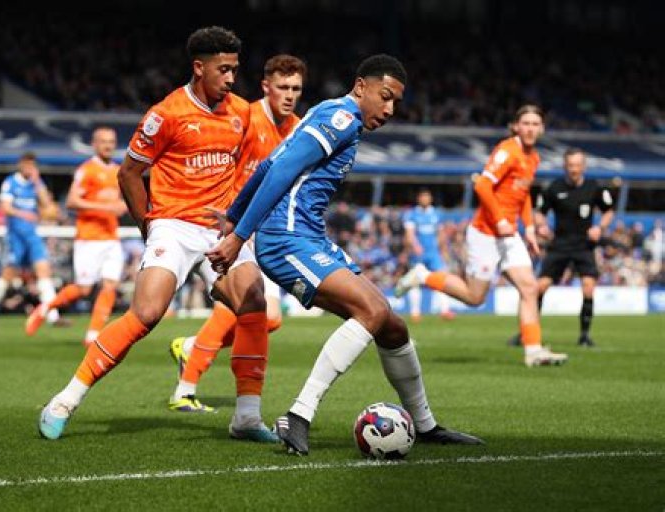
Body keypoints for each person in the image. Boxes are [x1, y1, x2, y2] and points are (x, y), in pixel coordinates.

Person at [206, 54, 483, 455]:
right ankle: (299, 414)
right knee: (371, 311)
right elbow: (279, 172)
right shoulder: (341, 119)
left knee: (392, 326)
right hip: (286, 238)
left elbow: (267, 164)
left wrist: (234, 215)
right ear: (360, 87)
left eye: (396, 102)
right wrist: (238, 234)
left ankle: (425, 426)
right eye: (385, 97)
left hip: (309, 237)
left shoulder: (331, 114)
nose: (389, 110)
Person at [38, 26, 277, 443]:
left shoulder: (241, 112)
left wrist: (237, 218)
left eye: (234, 69)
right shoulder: (165, 114)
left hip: (218, 228)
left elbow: (250, 169)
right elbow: (129, 173)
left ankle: (246, 417)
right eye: (222, 69)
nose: (230, 78)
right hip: (173, 224)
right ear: (199, 68)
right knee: (147, 313)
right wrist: (148, 226)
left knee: (254, 303)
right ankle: (65, 400)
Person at [167, 54, 307, 413]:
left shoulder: (299, 129)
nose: (289, 95)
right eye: (283, 87)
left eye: (296, 88)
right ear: (266, 87)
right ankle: (185, 389)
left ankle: (193, 347)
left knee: (270, 318)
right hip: (232, 229)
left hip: (267, 232)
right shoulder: (245, 117)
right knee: (237, 307)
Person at [395, 105, 568, 367]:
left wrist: (530, 228)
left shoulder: (533, 157)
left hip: (509, 235)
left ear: (542, 128)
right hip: (486, 233)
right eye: (526, 123)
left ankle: (533, 351)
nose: (531, 129)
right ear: (516, 126)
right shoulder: (507, 151)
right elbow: (483, 185)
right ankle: (423, 276)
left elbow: (523, 195)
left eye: (535, 124)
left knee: (529, 288)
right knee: (475, 298)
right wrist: (499, 219)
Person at [25, 127, 128, 344]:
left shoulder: (118, 170)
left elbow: (116, 202)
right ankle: (45, 308)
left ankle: (93, 335)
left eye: (111, 141)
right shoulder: (86, 170)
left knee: (110, 285)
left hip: (111, 236)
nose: (108, 146)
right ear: (94, 144)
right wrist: (106, 208)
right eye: (103, 141)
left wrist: (122, 206)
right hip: (89, 238)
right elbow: (72, 202)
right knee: (84, 288)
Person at [507, 148, 614, 347]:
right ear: (565, 166)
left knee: (588, 287)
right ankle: (526, 334)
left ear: (584, 166)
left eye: (577, 165)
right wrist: (541, 225)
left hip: (584, 245)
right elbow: (539, 212)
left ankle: (584, 336)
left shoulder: (594, 187)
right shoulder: (554, 188)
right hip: (560, 244)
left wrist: (600, 227)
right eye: (570, 165)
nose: (574, 169)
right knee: (539, 287)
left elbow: (608, 211)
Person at [0, 152, 64, 329]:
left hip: (32, 236)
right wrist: (24, 214)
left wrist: (38, 182)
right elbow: (5, 207)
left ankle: (53, 316)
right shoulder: (11, 182)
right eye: (26, 164)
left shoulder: (35, 183)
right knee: (7, 276)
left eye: (32, 164)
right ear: (20, 165)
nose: (29, 168)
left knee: (44, 272)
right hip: (16, 236)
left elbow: (47, 204)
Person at [402, 188, 455, 321]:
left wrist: (443, 250)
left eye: (427, 196)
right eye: (423, 196)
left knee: (440, 279)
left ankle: (445, 310)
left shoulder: (436, 214)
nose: (425, 199)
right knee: (415, 282)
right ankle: (415, 313)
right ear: (419, 199)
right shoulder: (412, 214)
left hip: (433, 253)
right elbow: (409, 234)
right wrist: (415, 246)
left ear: (430, 199)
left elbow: (440, 234)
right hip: (418, 253)